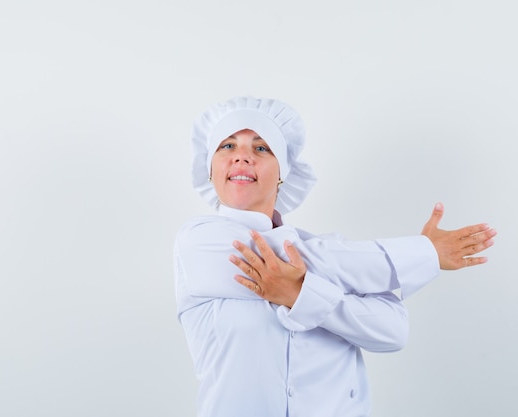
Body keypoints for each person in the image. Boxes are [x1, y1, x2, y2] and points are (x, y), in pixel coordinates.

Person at [174, 96, 496, 417]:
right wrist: (422, 253)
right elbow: (314, 259)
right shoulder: (199, 243)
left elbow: (394, 330)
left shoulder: (332, 253)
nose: (242, 157)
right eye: (227, 147)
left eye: (261, 148)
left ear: (283, 172)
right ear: (210, 169)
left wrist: (299, 294)